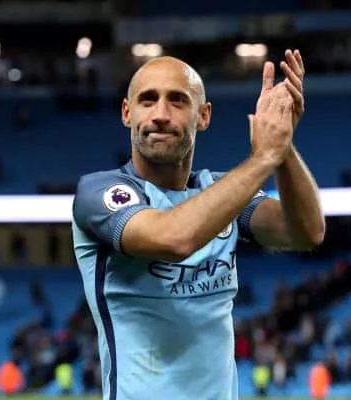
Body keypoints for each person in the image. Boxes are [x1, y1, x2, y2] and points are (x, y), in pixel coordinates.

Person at [72, 49, 325, 400]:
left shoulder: (220, 191)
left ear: (204, 116)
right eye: (148, 100)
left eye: (177, 100)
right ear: (127, 113)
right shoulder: (100, 192)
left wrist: (283, 145)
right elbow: (174, 238)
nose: (161, 114)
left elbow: (306, 232)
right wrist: (264, 157)